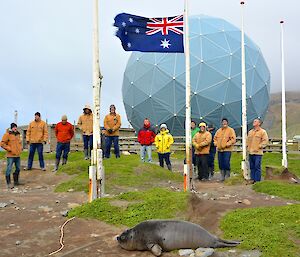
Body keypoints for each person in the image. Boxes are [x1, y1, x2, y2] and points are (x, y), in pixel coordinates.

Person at [247, 118, 269, 183]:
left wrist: (260, 146)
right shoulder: (250, 132)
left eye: (255, 121)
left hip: (258, 153)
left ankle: (257, 180)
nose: (254, 122)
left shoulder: (262, 132)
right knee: (252, 166)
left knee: (257, 166)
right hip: (250, 152)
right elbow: (247, 141)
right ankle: (252, 179)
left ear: (259, 123)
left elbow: (265, 140)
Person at [1, 123, 22, 189]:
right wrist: (9, 148)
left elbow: (19, 143)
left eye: (16, 127)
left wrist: (20, 148)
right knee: (9, 169)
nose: (15, 128)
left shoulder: (18, 134)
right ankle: (9, 183)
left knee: (18, 168)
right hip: (10, 155)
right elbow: (2, 143)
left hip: (17, 155)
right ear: (11, 128)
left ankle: (16, 182)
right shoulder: (7, 134)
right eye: (14, 127)